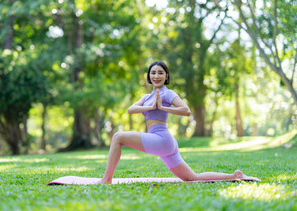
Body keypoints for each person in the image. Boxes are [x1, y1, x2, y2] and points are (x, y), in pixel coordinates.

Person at [97, 61, 252, 184]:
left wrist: (163, 107)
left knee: (118, 137)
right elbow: (131, 109)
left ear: (166, 76)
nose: (156, 76)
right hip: (164, 143)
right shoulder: (146, 97)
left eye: (160, 73)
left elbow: (186, 110)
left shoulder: (168, 93)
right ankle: (234, 175)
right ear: (149, 76)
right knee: (192, 178)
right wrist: (151, 106)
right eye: (153, 73)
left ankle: (106, 179)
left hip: (162, 139)